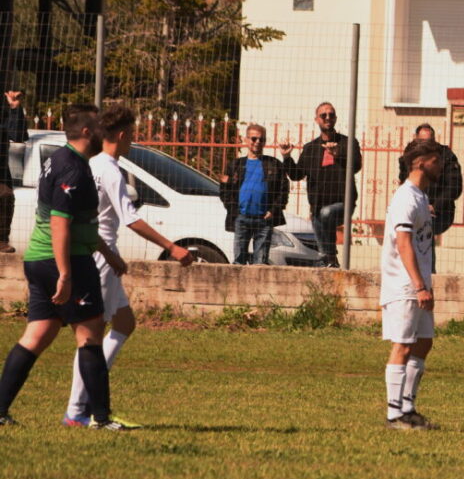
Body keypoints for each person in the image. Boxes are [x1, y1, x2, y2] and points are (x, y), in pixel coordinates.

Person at [62, 105, 195, 427]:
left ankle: (81, 408)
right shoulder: (109, 169)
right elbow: (130, 218)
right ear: (121, 136)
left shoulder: (91, 164)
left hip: (101, 255)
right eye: (132, 135)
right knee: (91, 338)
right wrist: (172, 247)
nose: (133, 141)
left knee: (124, 324)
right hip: (101, 258)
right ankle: (78, 411)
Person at [0, 105, 131, 429]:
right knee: (90, 336)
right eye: (100, 127)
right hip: (65, 260)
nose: (105, 132)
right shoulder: (74, 168)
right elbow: (60, 222)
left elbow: (82, 223)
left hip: (40, 258)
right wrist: (66, 273)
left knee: (36, 335)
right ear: (87, 132)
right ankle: (98, 418)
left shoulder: (58, 159)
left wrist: (108, 254)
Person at [381, 138, 443, 431]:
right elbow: (403, 241)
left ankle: (408, 408)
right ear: (421, 162)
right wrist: (419, 284)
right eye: (436, 159)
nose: (440, 165)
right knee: (403, 345)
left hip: (419, 283)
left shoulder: (419, 196)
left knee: (423, 342)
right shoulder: (405, 197)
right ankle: (394, 415)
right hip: (405, 284)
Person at [281, 102, 362, 267]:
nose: (327, 118)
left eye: (331, 115)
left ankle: (330, 256)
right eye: (323, 115)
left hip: (343, 203)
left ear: (336, 119)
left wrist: (338, 154)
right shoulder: (310, 148)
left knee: (326, 214)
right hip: (318, 205)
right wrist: (287, 158)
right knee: (320, 216)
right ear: (317, 120)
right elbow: (297, 175)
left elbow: (356, 166)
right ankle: (330, 262)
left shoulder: (348, 143)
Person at [220, 124, 290, 266]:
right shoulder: (235, 165)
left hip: (264, 220)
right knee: (238, 262)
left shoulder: (274, 164)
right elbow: (224, 190)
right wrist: (233, 209)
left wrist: (273, 210)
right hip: (241, 218)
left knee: (261, 263)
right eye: (253, 138)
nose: (257, 142)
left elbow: (283, 191)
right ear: (246, 140)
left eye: (261, 139)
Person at [397, 124, 463, 272]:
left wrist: (435, 206)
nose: (427, 148)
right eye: (423, 143)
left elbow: (455, 186)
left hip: (440, 212)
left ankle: (429, 273)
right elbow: (403, 181)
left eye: (430, 143)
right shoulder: (409, 156)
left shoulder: (446, 156)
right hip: (415, 206)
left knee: (426, 231)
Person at [0, 89, 29, 253]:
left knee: (5, 196)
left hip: (2, 171)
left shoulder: (5, 116)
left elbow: (18, 135)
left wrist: (15, 107)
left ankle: (2, 240)